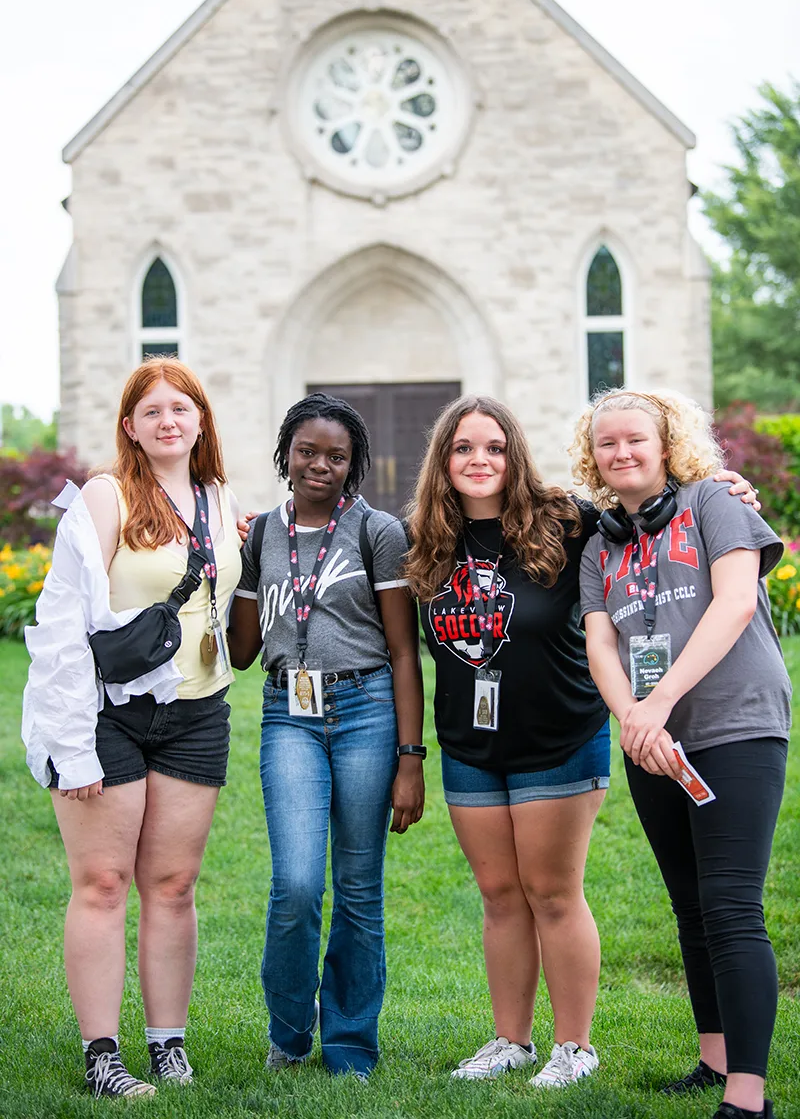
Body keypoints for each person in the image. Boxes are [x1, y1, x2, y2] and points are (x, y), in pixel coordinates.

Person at [402, 393, 757, 1091]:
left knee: (553, 893)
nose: (480, 460)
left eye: (495, 447)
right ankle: (512, 1039)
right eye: (464, 448)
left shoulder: (565, 521)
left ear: (516, 455)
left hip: (560, 737)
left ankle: (575, 1046)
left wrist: (713, 488)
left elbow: (649, 507)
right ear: (443, 460)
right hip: (471, 747)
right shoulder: (424, 537)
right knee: (499, 894)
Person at [22, 358, 242, 1099]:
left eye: (182, 408)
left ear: (202, 421)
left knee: (173, 885)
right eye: (151, 412)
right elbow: (58, 627)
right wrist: (71, 747)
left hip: (198, 712)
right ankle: (102, 1054)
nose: (168, 421)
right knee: (104, 882)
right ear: (130, 428)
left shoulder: (217, 497)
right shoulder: (105, 497)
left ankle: (167, 1044)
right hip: (109, 714)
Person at [573, 388, 790, 1119]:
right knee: (691, 908)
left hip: (735, 725)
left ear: (667, 445)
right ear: (592, 457)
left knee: (731, 907)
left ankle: (748, 1098)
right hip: (654, 741)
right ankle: (714, 1059)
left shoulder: (714, 504)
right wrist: (633, 716)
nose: (622, 452)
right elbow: (600, 638)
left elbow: (733, 602)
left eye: (636, 439)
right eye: (607, 444)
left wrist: (657, 701)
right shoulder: (600, 544)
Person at [227, 392, 424, 1080]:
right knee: (299, 883)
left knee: (360, 887)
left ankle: (349, 1044)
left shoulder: (377, 532)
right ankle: (289, 1028)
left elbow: (404, 651)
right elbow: (245, 652)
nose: (321, 465)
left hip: (367, 708)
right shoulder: (262, 534)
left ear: (354, 463)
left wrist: (410, 757)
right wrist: (232, 557)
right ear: (286, 453)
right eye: (308, 452)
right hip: (290, 714)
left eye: (336, 456)